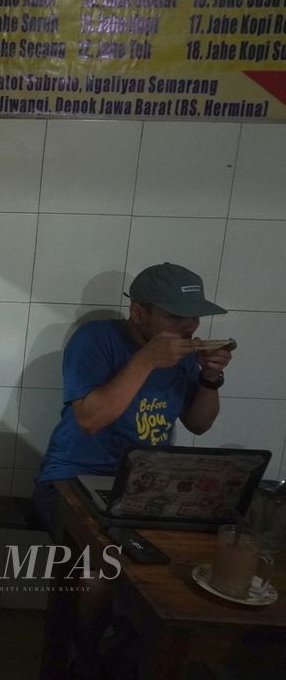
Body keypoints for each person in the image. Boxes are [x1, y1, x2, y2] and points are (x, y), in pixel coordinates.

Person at [31, 262, 233, 679]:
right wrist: (144, 361)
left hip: (149, 487)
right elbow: (89, 419)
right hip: (71, 479)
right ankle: (84, 659)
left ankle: (134, 653)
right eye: (175, 316)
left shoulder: (181, 353)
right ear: (139, 313)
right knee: (97, 572)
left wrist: (210, 378)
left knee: (190, 566)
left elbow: (198, 423)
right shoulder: (95, 340)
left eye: (193, 316)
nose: (188, 326)